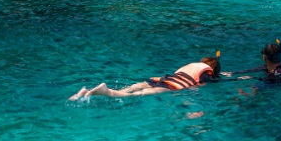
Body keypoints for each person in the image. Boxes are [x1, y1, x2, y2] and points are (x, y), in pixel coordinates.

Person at [69, 54, 221, 100]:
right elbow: (206, 81)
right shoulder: (207, 71)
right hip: (173, 85)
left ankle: (84, 92)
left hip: (161, 79)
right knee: (138, 95)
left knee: (130, 88)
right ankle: (106, 92)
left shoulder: (191, 65)